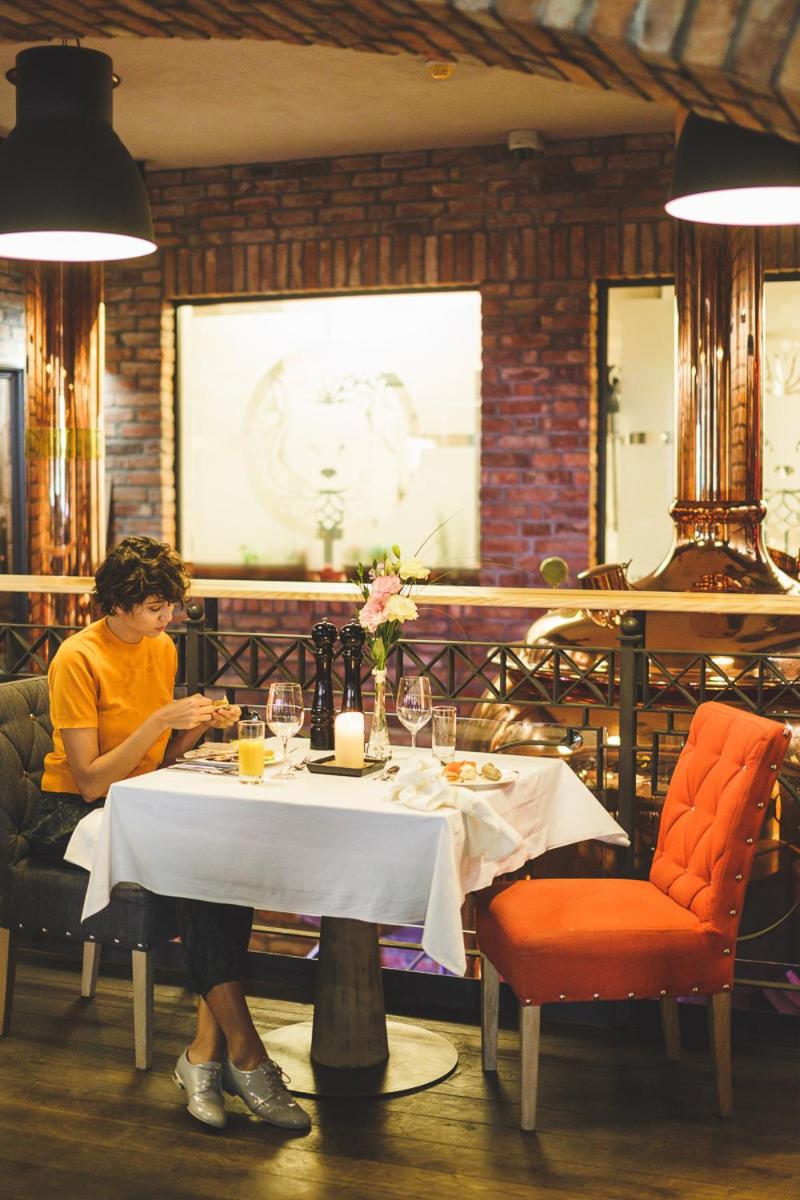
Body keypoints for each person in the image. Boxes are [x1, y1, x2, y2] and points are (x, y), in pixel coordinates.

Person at [27, 535, 311, 1133]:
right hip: (69, 814)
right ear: (118, 604)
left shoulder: (160, 648)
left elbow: (159, 760)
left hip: (141, 801)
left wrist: (198, 724)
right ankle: (246, 1056)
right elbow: (89, 780)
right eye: (156, 608)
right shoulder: (77, 658)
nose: (168, 618)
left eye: (171, 606)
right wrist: (161, 717)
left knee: (223, 866)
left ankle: (204, 1056)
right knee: (200, 871)